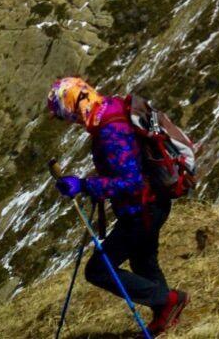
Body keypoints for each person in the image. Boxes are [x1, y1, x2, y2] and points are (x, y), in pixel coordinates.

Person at [48, 78, 189, 333]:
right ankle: (165, 312)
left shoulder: (109, 132)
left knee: (98, 270)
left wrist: (85, 186)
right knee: (143, 261)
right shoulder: (109, 108)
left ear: (73, 106)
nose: (69, 121)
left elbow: (130, 182)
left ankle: (168, 300)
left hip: (141, 210)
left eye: (65, 115)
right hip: (153, 203)